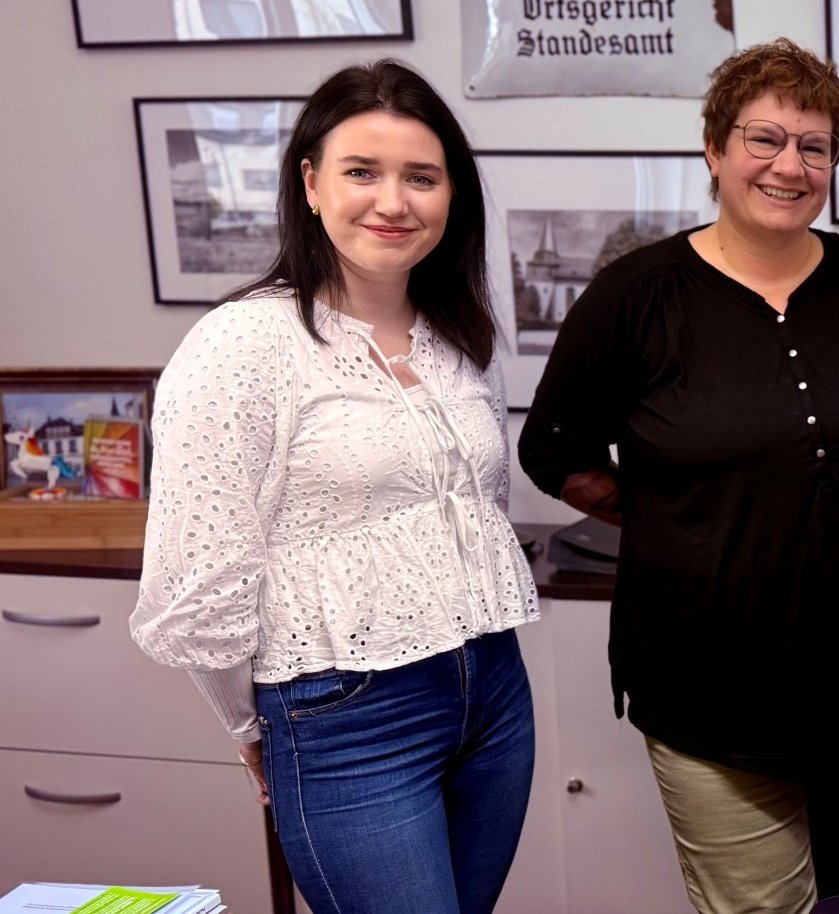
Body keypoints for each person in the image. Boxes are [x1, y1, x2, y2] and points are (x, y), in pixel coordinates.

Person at [517, 38, 839, 914]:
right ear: (715, 151)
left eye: (815, 146)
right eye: (763, 140)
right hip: (707, 684)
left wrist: (828, 491)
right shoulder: (635, 297)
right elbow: (553, 452)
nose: (788, 166)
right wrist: (672, 512)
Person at [130, 60, 540, 914]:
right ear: (311, 183)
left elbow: (473, 514)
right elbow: (200, 577)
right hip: (348, 717)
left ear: (450, 196)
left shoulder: (458, 340)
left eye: (421, 178)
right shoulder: (242, 346)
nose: (394, 201)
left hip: (493, 693)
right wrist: (252, 728)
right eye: (363, 172)